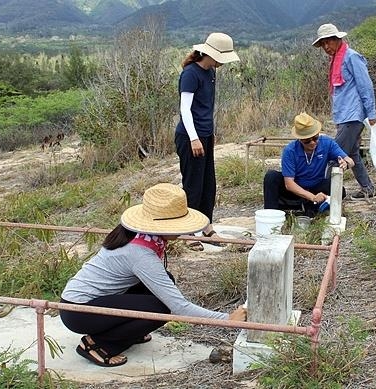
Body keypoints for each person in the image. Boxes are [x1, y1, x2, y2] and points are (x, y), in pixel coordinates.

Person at [59, 183, 247, 367]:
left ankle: (129, 331)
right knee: (160, 309)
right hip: (79, 311)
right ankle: (99, 345)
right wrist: (227, 320)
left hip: (86, 301)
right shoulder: (140, 253)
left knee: (166, 282)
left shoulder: (137, 234)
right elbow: (178, 306)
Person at [174, 32, 240, 251]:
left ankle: (205, 224)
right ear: (211, 54)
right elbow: (185, 109)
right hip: (190, 136)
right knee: (192, 184)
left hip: (205, 135)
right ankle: (187, 230)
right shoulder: (191, 74)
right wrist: (194, 138)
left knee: (208, 183)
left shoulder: (211, 72)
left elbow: (205, 108)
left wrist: (208, 134)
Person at [312, 23, 376, 200]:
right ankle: (367, 188)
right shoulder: (336, 60)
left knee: (333, 156)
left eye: (329, 42)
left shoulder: (351, 57)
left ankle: (325, 196)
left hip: (353, 116)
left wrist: (371, 113)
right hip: (344, 115)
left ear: (338, 39)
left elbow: (366, 86)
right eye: (323, 44)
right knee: (353, 153)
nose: (326, 47)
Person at [263, 112, 354, 217]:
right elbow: (289, 184)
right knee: (271, 177)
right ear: (300, 139)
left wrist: (345, 163)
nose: (312, 143)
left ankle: (313, 207)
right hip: (297, 188)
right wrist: (312, 197)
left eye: (315, 138)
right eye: (307, 141)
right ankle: (270, 215)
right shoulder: (290, 151)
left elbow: (350, 161)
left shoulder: (327, 143)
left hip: (317, 185)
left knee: (339, 190)